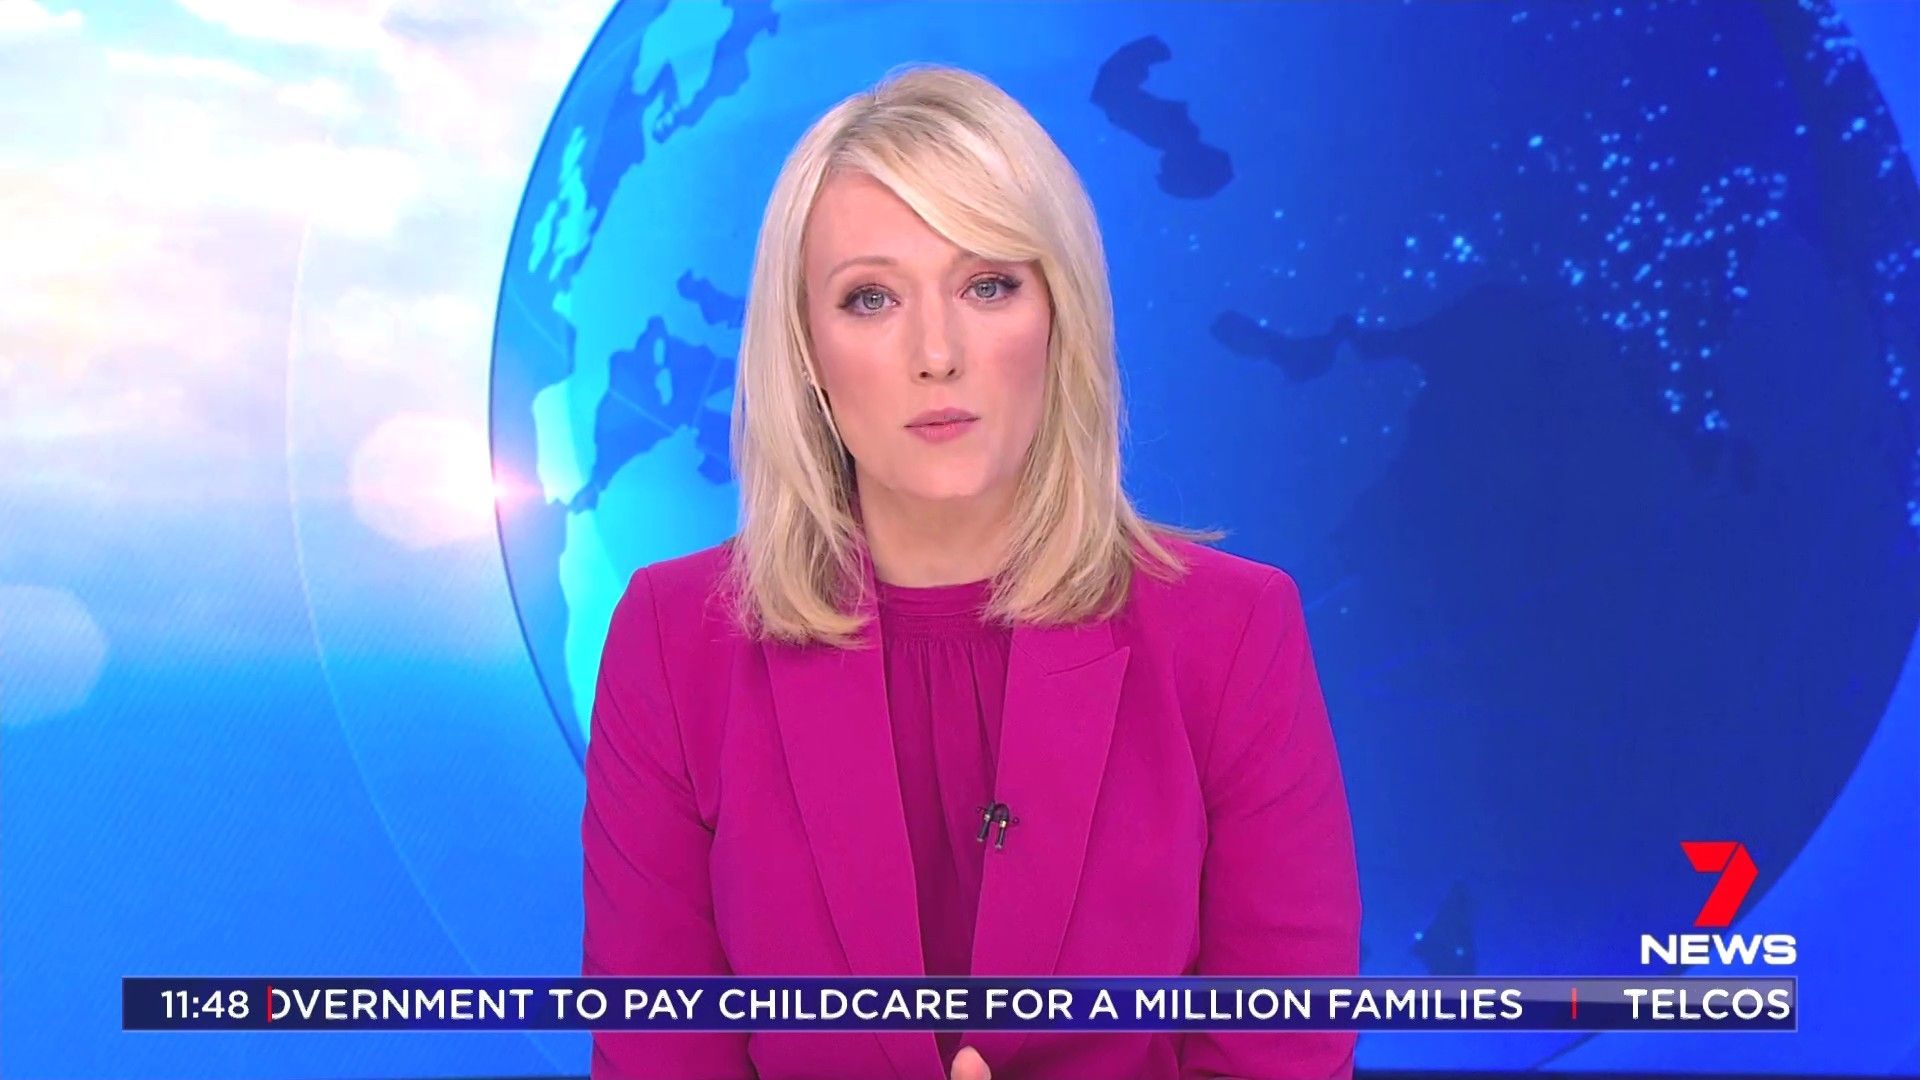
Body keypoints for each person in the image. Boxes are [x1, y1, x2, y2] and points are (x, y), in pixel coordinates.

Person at [581, 62, 1361, 1080]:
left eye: (988, 285)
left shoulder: (1233, 634)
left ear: (1060, 315)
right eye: (870, 298)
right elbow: (659, 1053)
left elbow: (1282, 1048)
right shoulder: (674, 641)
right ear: (806, 350)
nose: (937, 353)